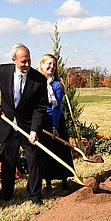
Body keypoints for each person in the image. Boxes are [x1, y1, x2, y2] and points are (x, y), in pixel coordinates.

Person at [0, 44, 50, 204]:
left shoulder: (39, 80)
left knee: (33, 160)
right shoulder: (2, 71)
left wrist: (34, 130)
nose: (27, 65)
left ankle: (35, 196)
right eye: (23, 61)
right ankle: (6, 194)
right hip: (8, 125)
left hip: (28, 127)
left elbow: (40, 107)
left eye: (29, 61)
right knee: (8, 161)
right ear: (14, 60)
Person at [37, 54, 75, 194]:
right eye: (49, 64)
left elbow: (56, 108)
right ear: (41, 65)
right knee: (45, 153)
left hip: (56, 122)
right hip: (42, 122)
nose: (51, 67)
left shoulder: (57, 85)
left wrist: (55, 127)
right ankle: (47, 182)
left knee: (60, 150)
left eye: (54, 65)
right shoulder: (37, 83)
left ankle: (64, 181)